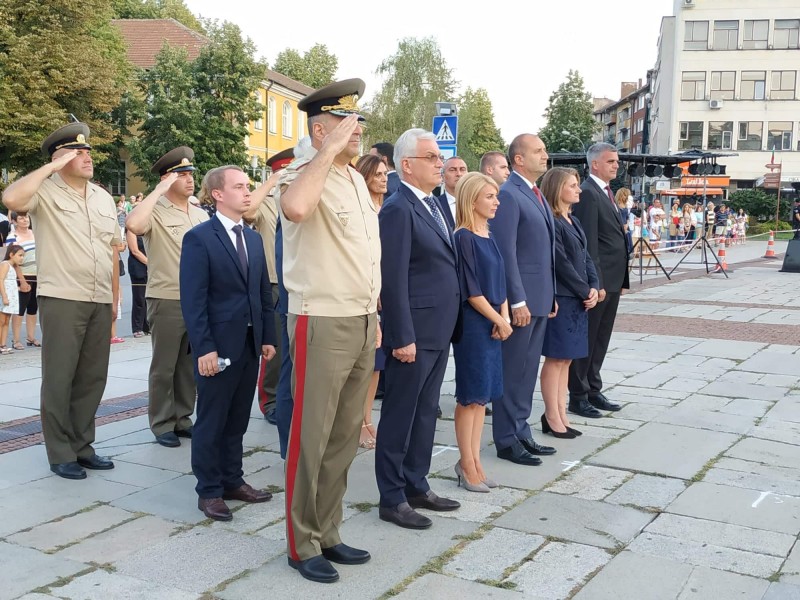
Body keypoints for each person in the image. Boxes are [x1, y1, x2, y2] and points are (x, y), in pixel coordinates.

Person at [278, 79, 380, 584]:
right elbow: (296, 209)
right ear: (320, 130)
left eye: (357, 121)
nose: (356, 130)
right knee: (310, 437)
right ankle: (301, 544)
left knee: (342, 438)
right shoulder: (301, 173)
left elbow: (364, 256)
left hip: (361, 320)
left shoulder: (357, 183)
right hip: (319, 320)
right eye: (344, 122)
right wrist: (327, 152)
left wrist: (374, 315)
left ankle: (329, 531)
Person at [2, 122, 118, 479]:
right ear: (61, 156)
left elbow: (112, 247)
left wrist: (114, 298)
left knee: (92, 378)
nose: (87, 158)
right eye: (78, 153)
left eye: (88, 152)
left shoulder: (102, 196)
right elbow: (11, 199)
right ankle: (60, 451)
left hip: (98, 296)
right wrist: (52, 167)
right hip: (63, 295)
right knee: (60, 377)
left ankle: (83, 445)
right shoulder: (45, 192)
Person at [180, 165, 277, 522]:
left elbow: (262, 291)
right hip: (217, 347)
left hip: (249, 343)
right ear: (218, 194)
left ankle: (232, 479)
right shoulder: (200, 238)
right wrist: (205, 347)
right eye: (239, 186)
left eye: (247, 186)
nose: (247, 192)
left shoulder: (251, 237)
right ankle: (209, 489)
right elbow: (194, 299)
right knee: (212, 418)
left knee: (237, 417)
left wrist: (268, 336)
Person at [376, 127, 462, 530]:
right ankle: (391, 497)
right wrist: (402, 335)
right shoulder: (397, 208)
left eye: (439, 155)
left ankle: (416, 483)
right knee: (400, 414)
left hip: (439, 328)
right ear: (407, 165)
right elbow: (392, 278)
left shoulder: (436, 204)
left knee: (426, 411)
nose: (439, 162)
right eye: (431, 157)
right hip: (414, 332)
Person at [126, 147, 209, 448]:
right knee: (165, 365)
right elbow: (133, 225)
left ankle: (183, 418)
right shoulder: (155, 212)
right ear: (167, 178)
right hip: (167, 297)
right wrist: (159, 190)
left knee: (189, 365)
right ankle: (162, 423)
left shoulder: (200, 214)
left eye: (191, 174)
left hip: (198, 300)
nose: (190, 180)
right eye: (182, 175)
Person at [491, 134, 557, 466]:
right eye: (539, 151)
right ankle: (505, 438)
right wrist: (516, 299)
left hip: (540, 298)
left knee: (528, 370)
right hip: (522, 302)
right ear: (519, 159)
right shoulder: (509, 195)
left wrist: (551, 293)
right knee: (513, 370)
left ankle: (521, 430)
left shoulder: (535, 193)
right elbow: (507, 252)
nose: (546, 156)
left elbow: (542, 252)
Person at [451, 173, 510, 492]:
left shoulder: (489, 233)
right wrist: (498, 319)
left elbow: (498, 282)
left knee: (482, 396)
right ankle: (466, 462)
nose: (496, 201)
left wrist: (503, 315)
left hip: (493, 322)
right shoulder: (463, 237)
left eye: (496, 196)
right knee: (470, 396)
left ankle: (474, 461)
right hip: (474, 324)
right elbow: (471, 290)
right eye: (490, 196)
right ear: (471, 200)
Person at [568, 142, 629, 418]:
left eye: (617, 161)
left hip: (613, 281)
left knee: (602, 338)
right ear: (594, 164)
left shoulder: (606, 192)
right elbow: (590, 244)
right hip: (600, 283)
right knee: (589, 338)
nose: (616, 165)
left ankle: (593, 387)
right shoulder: (589, 193)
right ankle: (578, 395)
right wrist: (597, 283)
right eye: (611, 161)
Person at [539, 168, 599, 439]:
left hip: (578, 299)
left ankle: (561, 412)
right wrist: (583, 290)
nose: (579, 189)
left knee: (567, 360)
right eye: (573, 185)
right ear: (558, 188)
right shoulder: (552, 221)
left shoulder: (573, 220)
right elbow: (561, 263)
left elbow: (586, 257)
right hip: (564, 297)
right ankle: (552, 416)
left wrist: (595, 287)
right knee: (556, 359)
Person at [245, 147, 292, 426]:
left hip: (300, 282)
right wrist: (273, 182)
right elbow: (247, 209)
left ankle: (289, 396)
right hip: (273, 283)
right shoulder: (267, 201)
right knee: (273, 348)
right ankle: (270, 400)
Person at [354, 153, 389, 450]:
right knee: (363, 366)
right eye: (377, 174)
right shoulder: (360, 209)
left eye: (385, 173)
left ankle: (367, 418)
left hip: (385, 293)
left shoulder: (385, 208)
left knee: (376, 366)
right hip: (366, 294)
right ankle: (357, 422)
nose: (383, 178)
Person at [5, 212, 38, 349]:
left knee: (33, 307)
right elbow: (13, 260)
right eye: (21, 218)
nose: (25, 220)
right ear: (14, 221)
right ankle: (16, 340)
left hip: (37, 274)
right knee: (20, 308)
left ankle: (31, 337)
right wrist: (22, 281)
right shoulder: (13, 237)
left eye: (26, 217)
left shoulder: (35, 232)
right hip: (22, 275)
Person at [1, 245, 25, 354]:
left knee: (6, 321)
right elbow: (1, 281)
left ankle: (3, 344)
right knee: (1, 321)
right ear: (11, 255)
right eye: (20, 255)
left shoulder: (14, 267)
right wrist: (4, 296)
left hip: (12, 297)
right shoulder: (5, 265)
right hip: (5, 297)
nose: (22, 258)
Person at [126, 227, 150, 337]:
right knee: (139, 298)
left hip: (149, 267)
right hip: (138, 267)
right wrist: (149, 263)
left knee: (148, 298)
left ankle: (147, 326)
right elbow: (135, 251)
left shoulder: (146, 229)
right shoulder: (132, 230)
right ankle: (137, 327)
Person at [436, 156, 468, 230]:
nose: (459, 174)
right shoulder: (435, 205)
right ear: (442, 177)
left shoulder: (478, 203)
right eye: (452, 170)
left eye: (462, 169)